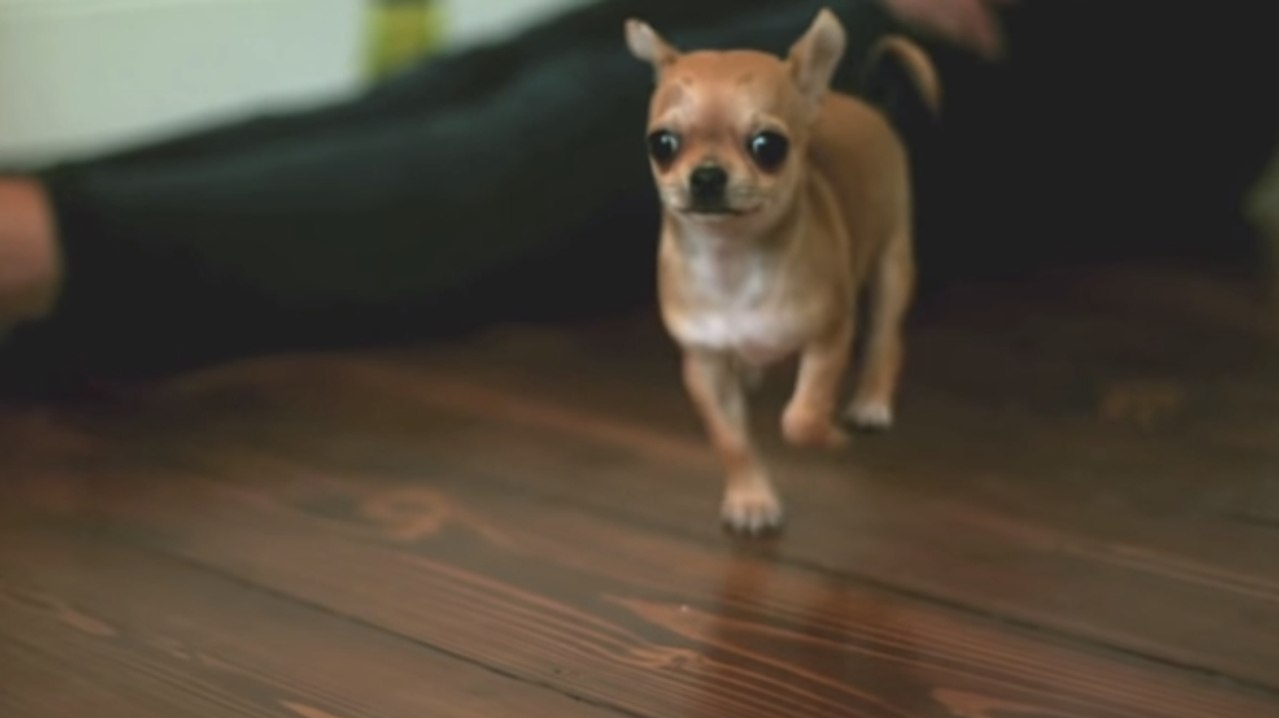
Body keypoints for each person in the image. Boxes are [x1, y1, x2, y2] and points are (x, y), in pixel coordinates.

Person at [1, 0, 1276, 387]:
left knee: (548, 142)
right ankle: (47, 205)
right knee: (494, 77)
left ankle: (50, 247)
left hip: (1090, 76)